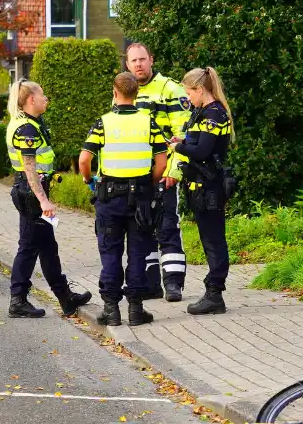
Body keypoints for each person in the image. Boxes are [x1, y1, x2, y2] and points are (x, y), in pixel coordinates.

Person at [79, 72, 169, 327]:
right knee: (138, 252)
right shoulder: (149, 122)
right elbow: (161, 163)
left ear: (115, 93)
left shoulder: (103, 123)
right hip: (141, 196)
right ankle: (135, 310)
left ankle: (111, 310)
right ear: (136, 94)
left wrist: (89, 180)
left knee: (110, 252)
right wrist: (148, 184)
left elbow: (84, 160)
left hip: (110, 197)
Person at [5, 79, 92, 319]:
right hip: (31, 193)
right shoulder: (27, 130)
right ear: (31, 99)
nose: (46, 99)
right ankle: (19, 299)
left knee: (45, 247)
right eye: (42, 95)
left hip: (29, 191)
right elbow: (29, 168)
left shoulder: (30, 123)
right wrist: (43, 200)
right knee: (30, 247)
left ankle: (65, 298)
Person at [126, 43, 191, 303]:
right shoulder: (125, 90)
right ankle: (151, 284)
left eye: (143, 59)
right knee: (142, 228)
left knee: (167, 226)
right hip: (136, 174)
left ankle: (173, 283)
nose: (139, 64)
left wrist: (175, 171)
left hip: (164, 171)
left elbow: (184, 135)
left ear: (151, 60)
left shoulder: (170, 89)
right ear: (127, 64)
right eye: (134, 61)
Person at [175, 67, 235, 315]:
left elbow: (202, 152)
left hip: (210, 187)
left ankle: (214, 294)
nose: (188, 98)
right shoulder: (203, 112)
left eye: (189, 92)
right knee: (209, 239)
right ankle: (213, 292)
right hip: (200, 186)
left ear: (200, 89)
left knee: (214, 240)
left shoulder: (214, 114)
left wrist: (179, 146)